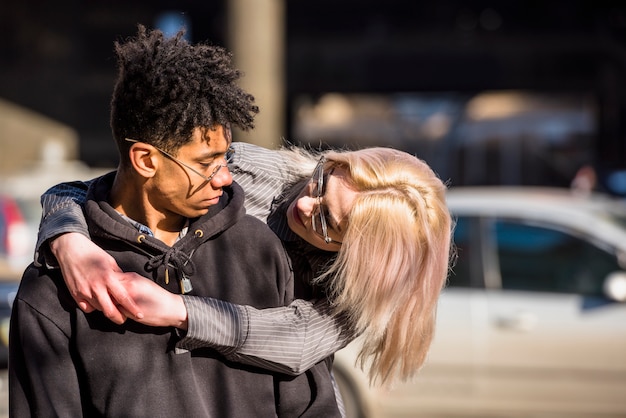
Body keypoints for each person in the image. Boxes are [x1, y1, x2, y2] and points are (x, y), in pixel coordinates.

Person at [9, 25, 343, 417]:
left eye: (224, 157)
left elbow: (312, 406)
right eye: (207, 163)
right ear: (145, 160)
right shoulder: (55, 290)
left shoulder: (260, 248)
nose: (225, 176)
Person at [38, 141, 454, 386]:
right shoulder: (250, 170)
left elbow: (296, 342)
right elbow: (76, 192)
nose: (305, 203)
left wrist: (181, 311)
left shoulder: (361, 285)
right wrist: (71, 242)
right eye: (323, 180)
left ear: (360, 257)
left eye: (329, 221)